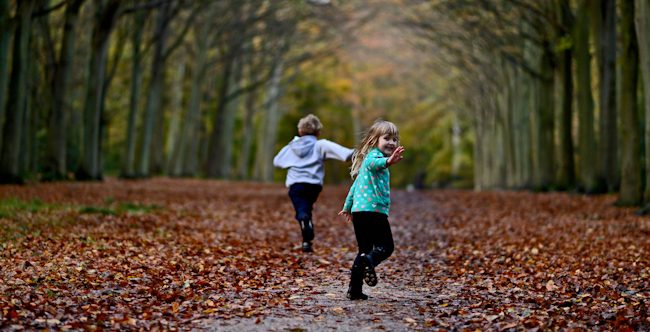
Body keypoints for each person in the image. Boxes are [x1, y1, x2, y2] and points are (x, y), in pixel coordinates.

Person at [338, 119, 405, 300]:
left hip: (360, 212)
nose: (391, 142)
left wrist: (347, 207)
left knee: (364, 249)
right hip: (374, 211)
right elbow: (376, 164)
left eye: (395, 139)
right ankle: (370, 262)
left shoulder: (368, 162)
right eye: (387, 138)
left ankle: (355, 289)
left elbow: (354, 187)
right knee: (386, 247)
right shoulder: (373, 158)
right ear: (375, 140)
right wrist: (389, 161)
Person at [274, 114, 353, 252]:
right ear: (318, 132)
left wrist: (294, 161)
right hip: (313, 185)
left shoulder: (292, 146)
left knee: (302, 209)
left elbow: (277, 161)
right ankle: (307, 242)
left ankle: (305, 224)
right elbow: (346, 154)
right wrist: (366, 152)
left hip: (296, 184)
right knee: (306, 208)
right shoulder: (321, 145)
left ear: (300, 131)